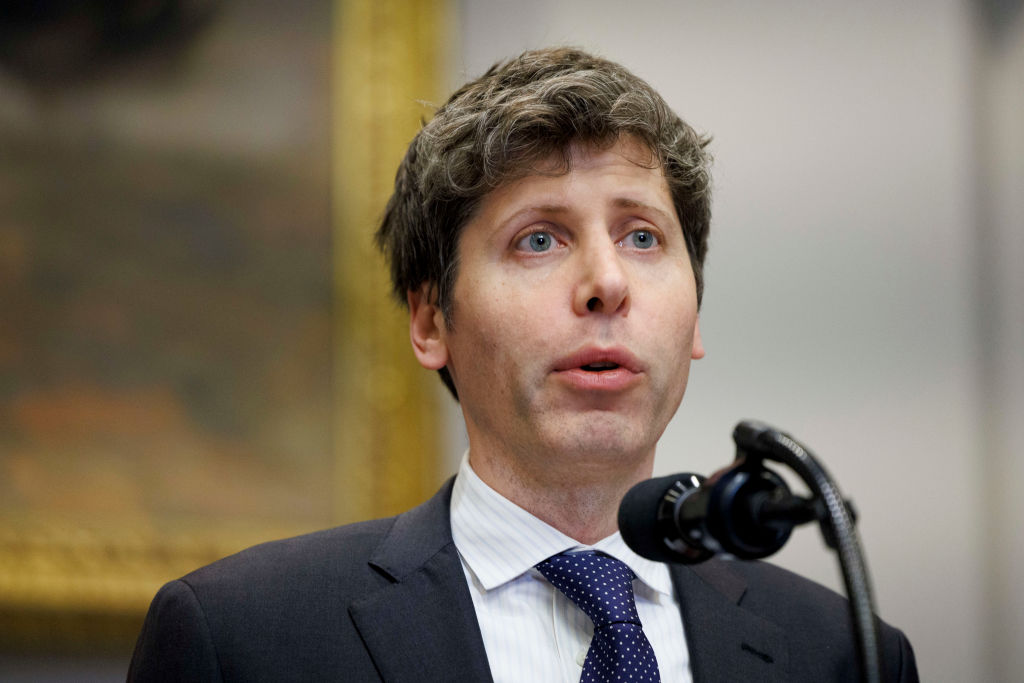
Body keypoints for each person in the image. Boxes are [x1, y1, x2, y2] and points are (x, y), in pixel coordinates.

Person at [128, 47, 918, 682]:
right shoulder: (241, 639)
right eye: (538, 238)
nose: (608, 282)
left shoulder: (848, 655)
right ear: (432, 318)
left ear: (695, 313)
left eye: (642, 236)